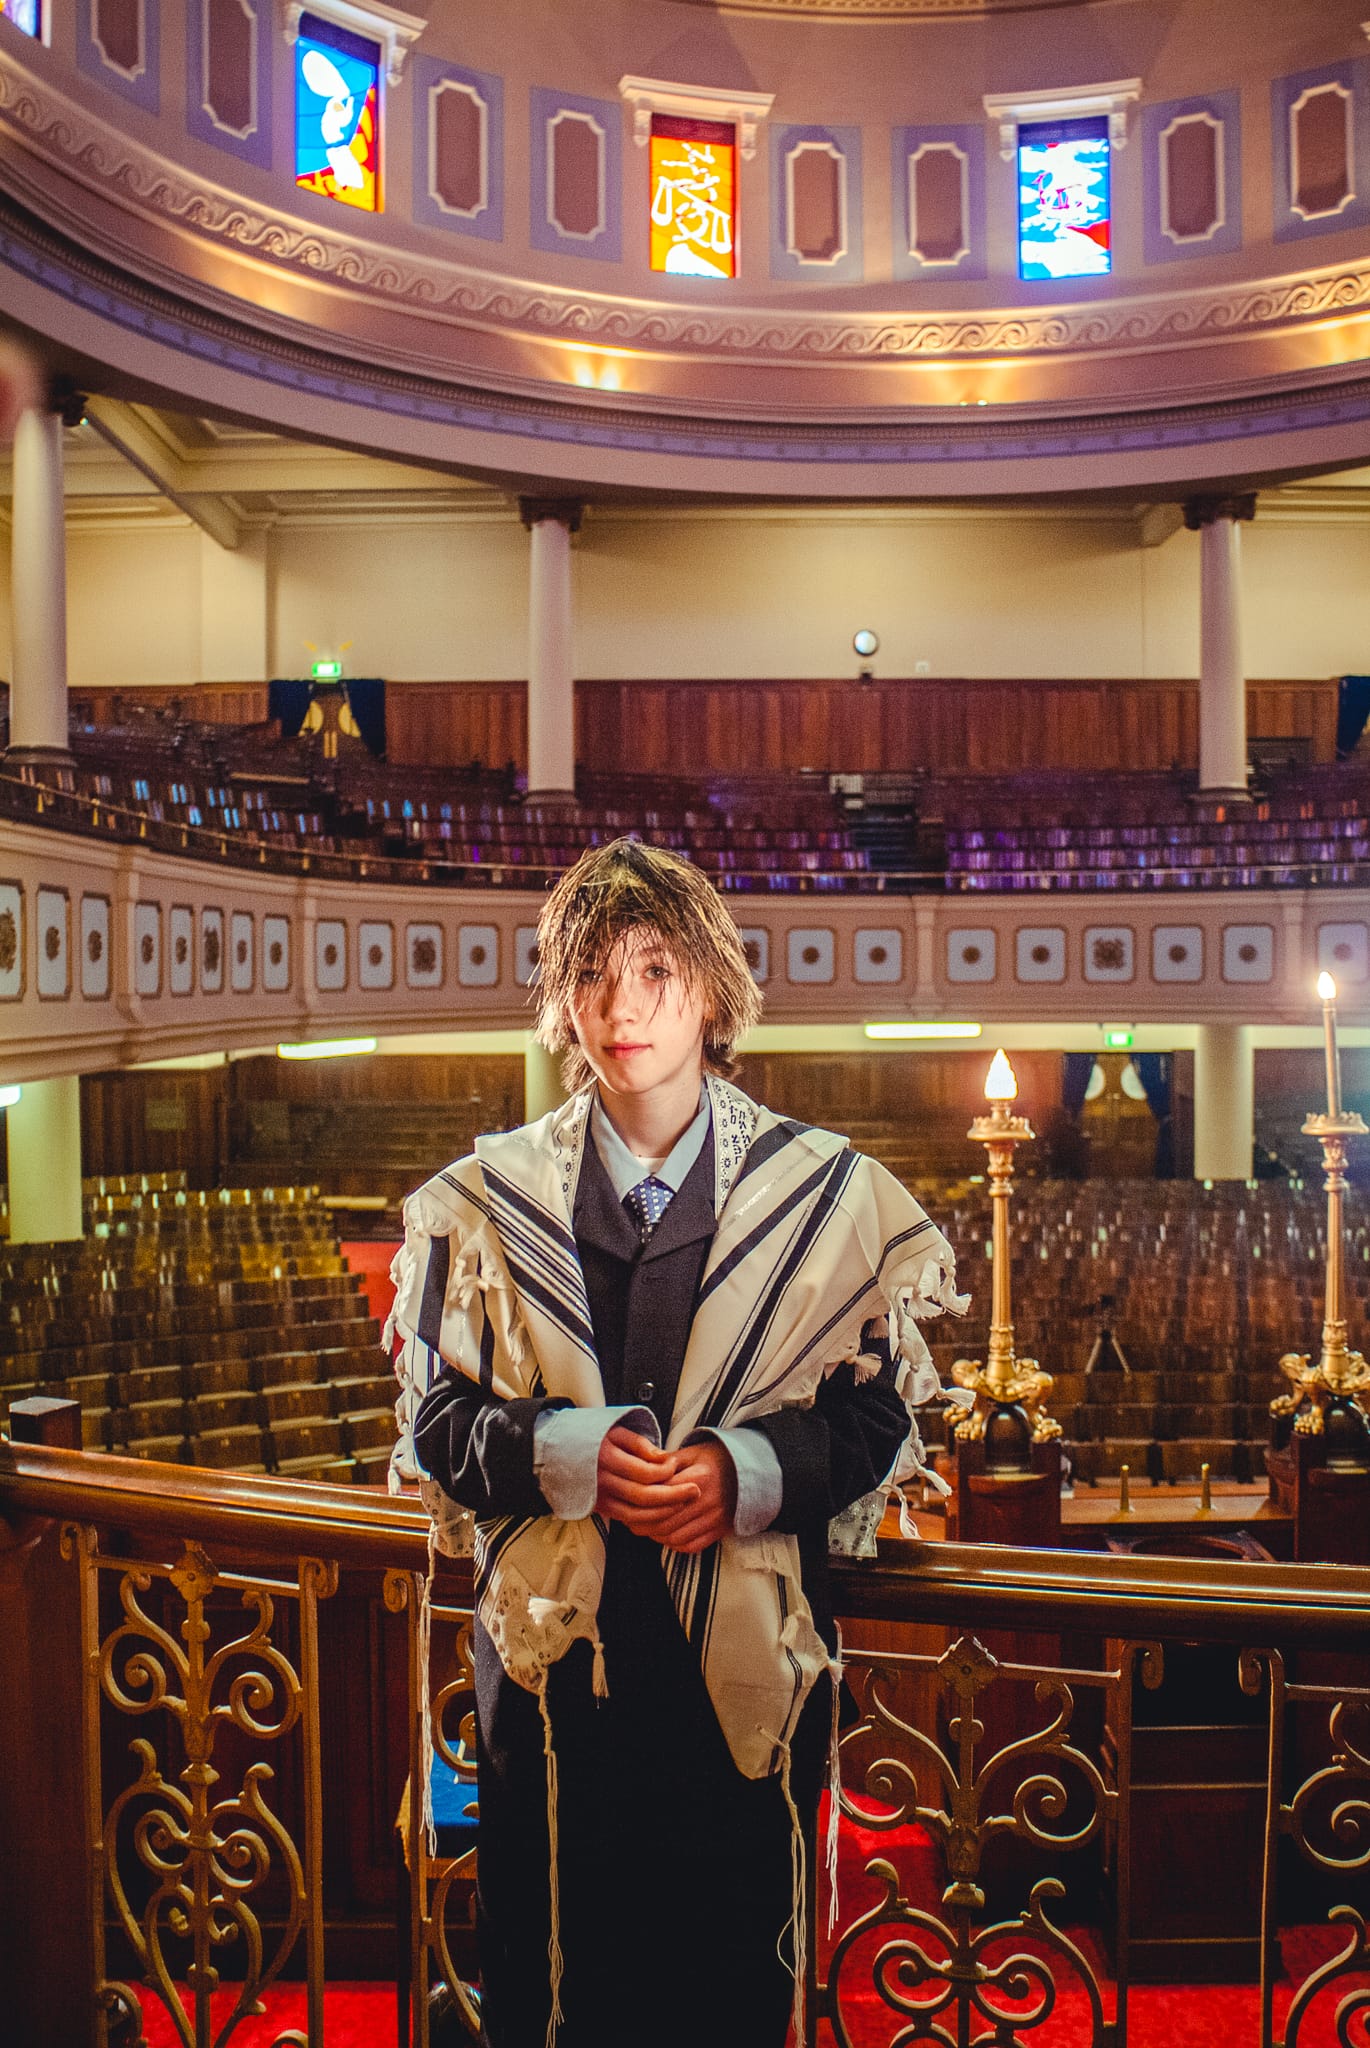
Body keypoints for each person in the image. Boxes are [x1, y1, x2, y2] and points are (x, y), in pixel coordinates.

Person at [388, 838, 965, 2048]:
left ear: (713, 987)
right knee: (551, 1991)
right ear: (561, 1000)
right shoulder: (484, 1198)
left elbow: (875, 1418)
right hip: (553, 1692)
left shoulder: (825, 1194)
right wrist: (568, 1452)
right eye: (591, 974)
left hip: (742, 1685)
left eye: (654, 969)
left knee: (734, 1992)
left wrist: (744, 1472)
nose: (621, 1008)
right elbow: (437, 1426)